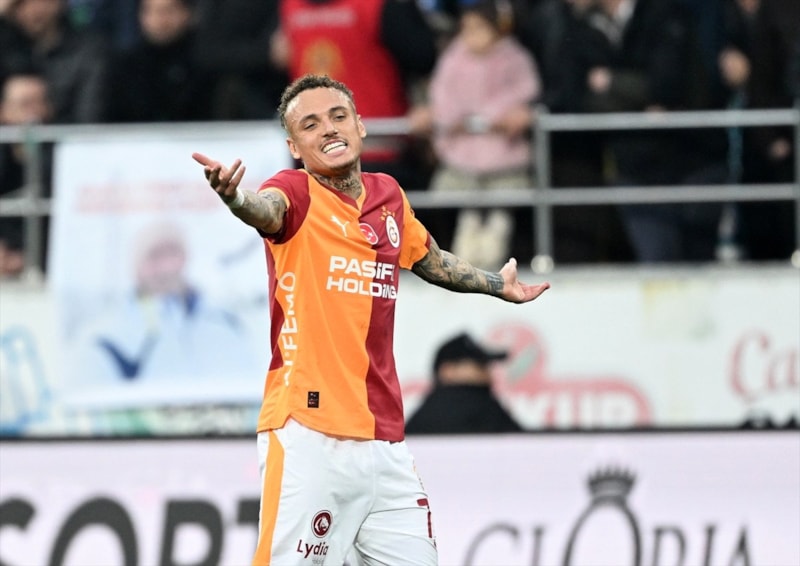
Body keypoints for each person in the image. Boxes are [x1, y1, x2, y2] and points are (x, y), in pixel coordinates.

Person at [191, 74, 550, 565]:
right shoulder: (294, 191)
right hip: (310, 429)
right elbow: (264, 210)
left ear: (360, 125)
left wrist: (495, 284)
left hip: (384, 440)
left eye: (338, 116)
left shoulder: (388, 196)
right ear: (294, 147)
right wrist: (236, 198)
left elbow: (431, 260)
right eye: (310, 125)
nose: (328, 129)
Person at [427, 0, 541, 270]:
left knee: (500, 222)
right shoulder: (453, 59)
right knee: (465, 220)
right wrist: (455, 118)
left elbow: (525, 90)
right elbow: (441, 96)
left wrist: (487, 117)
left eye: (479, 28)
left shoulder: (515, 58)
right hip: (462, 156)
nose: (472, 36)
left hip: (504, 154)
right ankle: (464, 264)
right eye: (467, 29)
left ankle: (494, 262)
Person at [104, 0, 214, 123]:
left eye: (168, 11)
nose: (160, 20)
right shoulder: (124, 68)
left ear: (187, 13)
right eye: (151, 11)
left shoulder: (206, 67)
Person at [405, 332, 523, 435]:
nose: (488, 373)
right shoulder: (478, 402)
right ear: (448, 370)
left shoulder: (423, 415)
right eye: (480, 366)